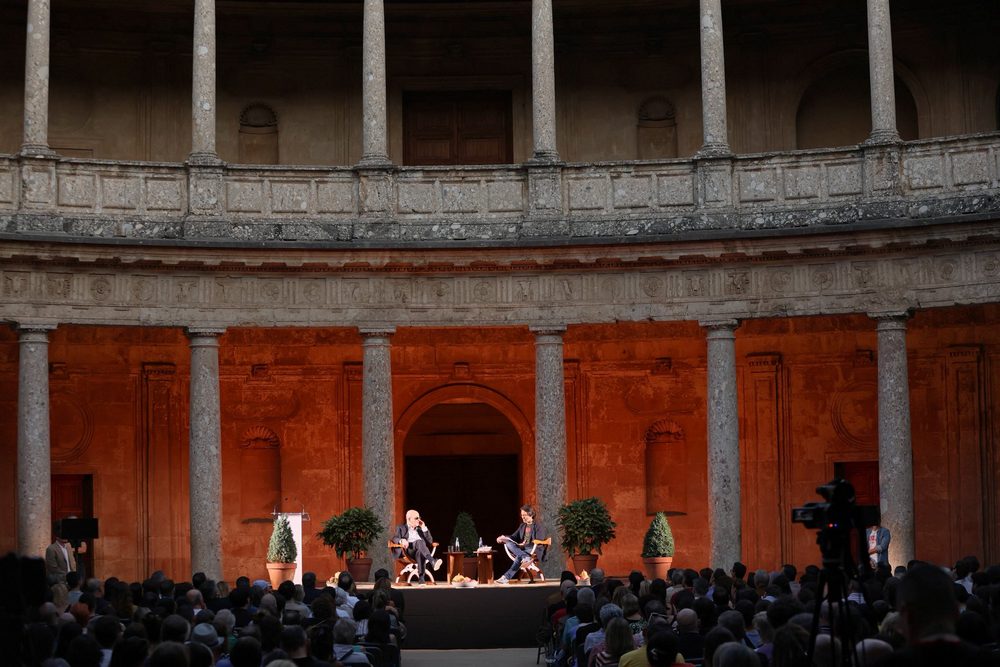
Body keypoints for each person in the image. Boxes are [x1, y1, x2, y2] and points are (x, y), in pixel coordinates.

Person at [495, 504, 548, 584]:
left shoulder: (538, 526)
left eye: (524, 515)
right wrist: (504, 537)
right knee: (508, 543)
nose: (522, 517)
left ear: (531, 514)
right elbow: (513, 537)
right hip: (523, 550)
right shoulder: (522, 526)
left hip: (533, 548)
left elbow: (540, 539)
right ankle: (525, 556)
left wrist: (527, 543)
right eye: (521, 515)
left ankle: (506, 578)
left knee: (519, 556)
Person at [391, 509, 441, 581]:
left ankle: (421, 579)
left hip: (420, 550)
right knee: (419, 542)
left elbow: (430, 542)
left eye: (419, 517)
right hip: (408, 551)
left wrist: (424, 528)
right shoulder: (401, 528)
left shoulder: (420, 530)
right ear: (409, 519)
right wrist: (401, 540)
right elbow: (394, 538)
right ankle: (432, 560)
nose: (419, 520)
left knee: (420, 552)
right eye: (416, 518)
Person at [45, 520, 80, 585]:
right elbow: (53, 568)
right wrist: (68, 576)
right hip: (60, 581)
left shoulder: (68, 546)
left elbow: (73, 563)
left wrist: (74, 577)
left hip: (72, 582)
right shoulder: (51, 549)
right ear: (57, 536)